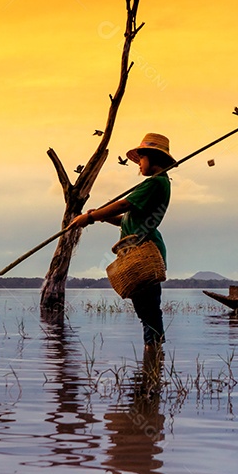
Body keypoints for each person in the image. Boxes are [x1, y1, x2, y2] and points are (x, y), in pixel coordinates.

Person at [68, 133, 173, 346]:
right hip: (140, 248)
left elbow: (123, 205)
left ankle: (153, 355)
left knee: (148, 309)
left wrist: (89, 217)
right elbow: (126, 219)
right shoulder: (154, 185)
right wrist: (102, 217)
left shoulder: (155, 184)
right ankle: (153, 358)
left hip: (144, 250)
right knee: (147, 310)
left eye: (142, 159)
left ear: (154, 159)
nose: (139, 165)